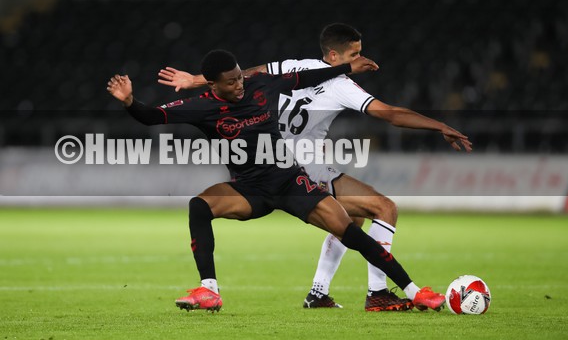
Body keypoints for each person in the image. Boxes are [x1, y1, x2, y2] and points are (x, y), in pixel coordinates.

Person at [156, 24, 472, 311]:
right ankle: (378, 292)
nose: (362, 59)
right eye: (355, 54)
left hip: (268, 162)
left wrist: (198, 80)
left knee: (355, 217)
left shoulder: (296, 66)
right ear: (334, 55)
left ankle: (319, 292)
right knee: (383, 207)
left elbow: (250, 73)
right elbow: (389, 113)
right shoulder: (341, 85)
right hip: (299, 166)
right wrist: (439, 125)